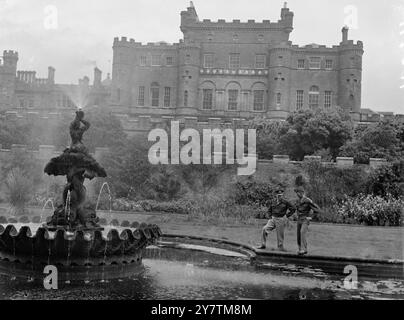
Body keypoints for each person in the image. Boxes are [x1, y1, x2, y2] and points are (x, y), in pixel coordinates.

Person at [257, 187, 295, 251]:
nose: (279, 196)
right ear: (276, 195)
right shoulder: (273, 201)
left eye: (281, 195)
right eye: (278, 195)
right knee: (264, 229)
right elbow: (269, 210)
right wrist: (270, 217)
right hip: (273, 219)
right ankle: (263, 245)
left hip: (281, 219)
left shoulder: (286, 202)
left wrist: (287, 216)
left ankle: (280, 247)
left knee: (280, 235)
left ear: (282, 195)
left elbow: (293, 208)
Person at [293, 186, 321, 255]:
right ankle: (300, 248)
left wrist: (310, 217)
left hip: (305, 220)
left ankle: (304, 249)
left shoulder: (307, 200)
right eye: (296, 193)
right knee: (298, 235)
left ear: (302, 192)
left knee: (302, 232)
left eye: (298, 193)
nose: (297, 194)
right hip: (299, 219)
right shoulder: (298, 201)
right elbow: (296, 208)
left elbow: (317, 209)